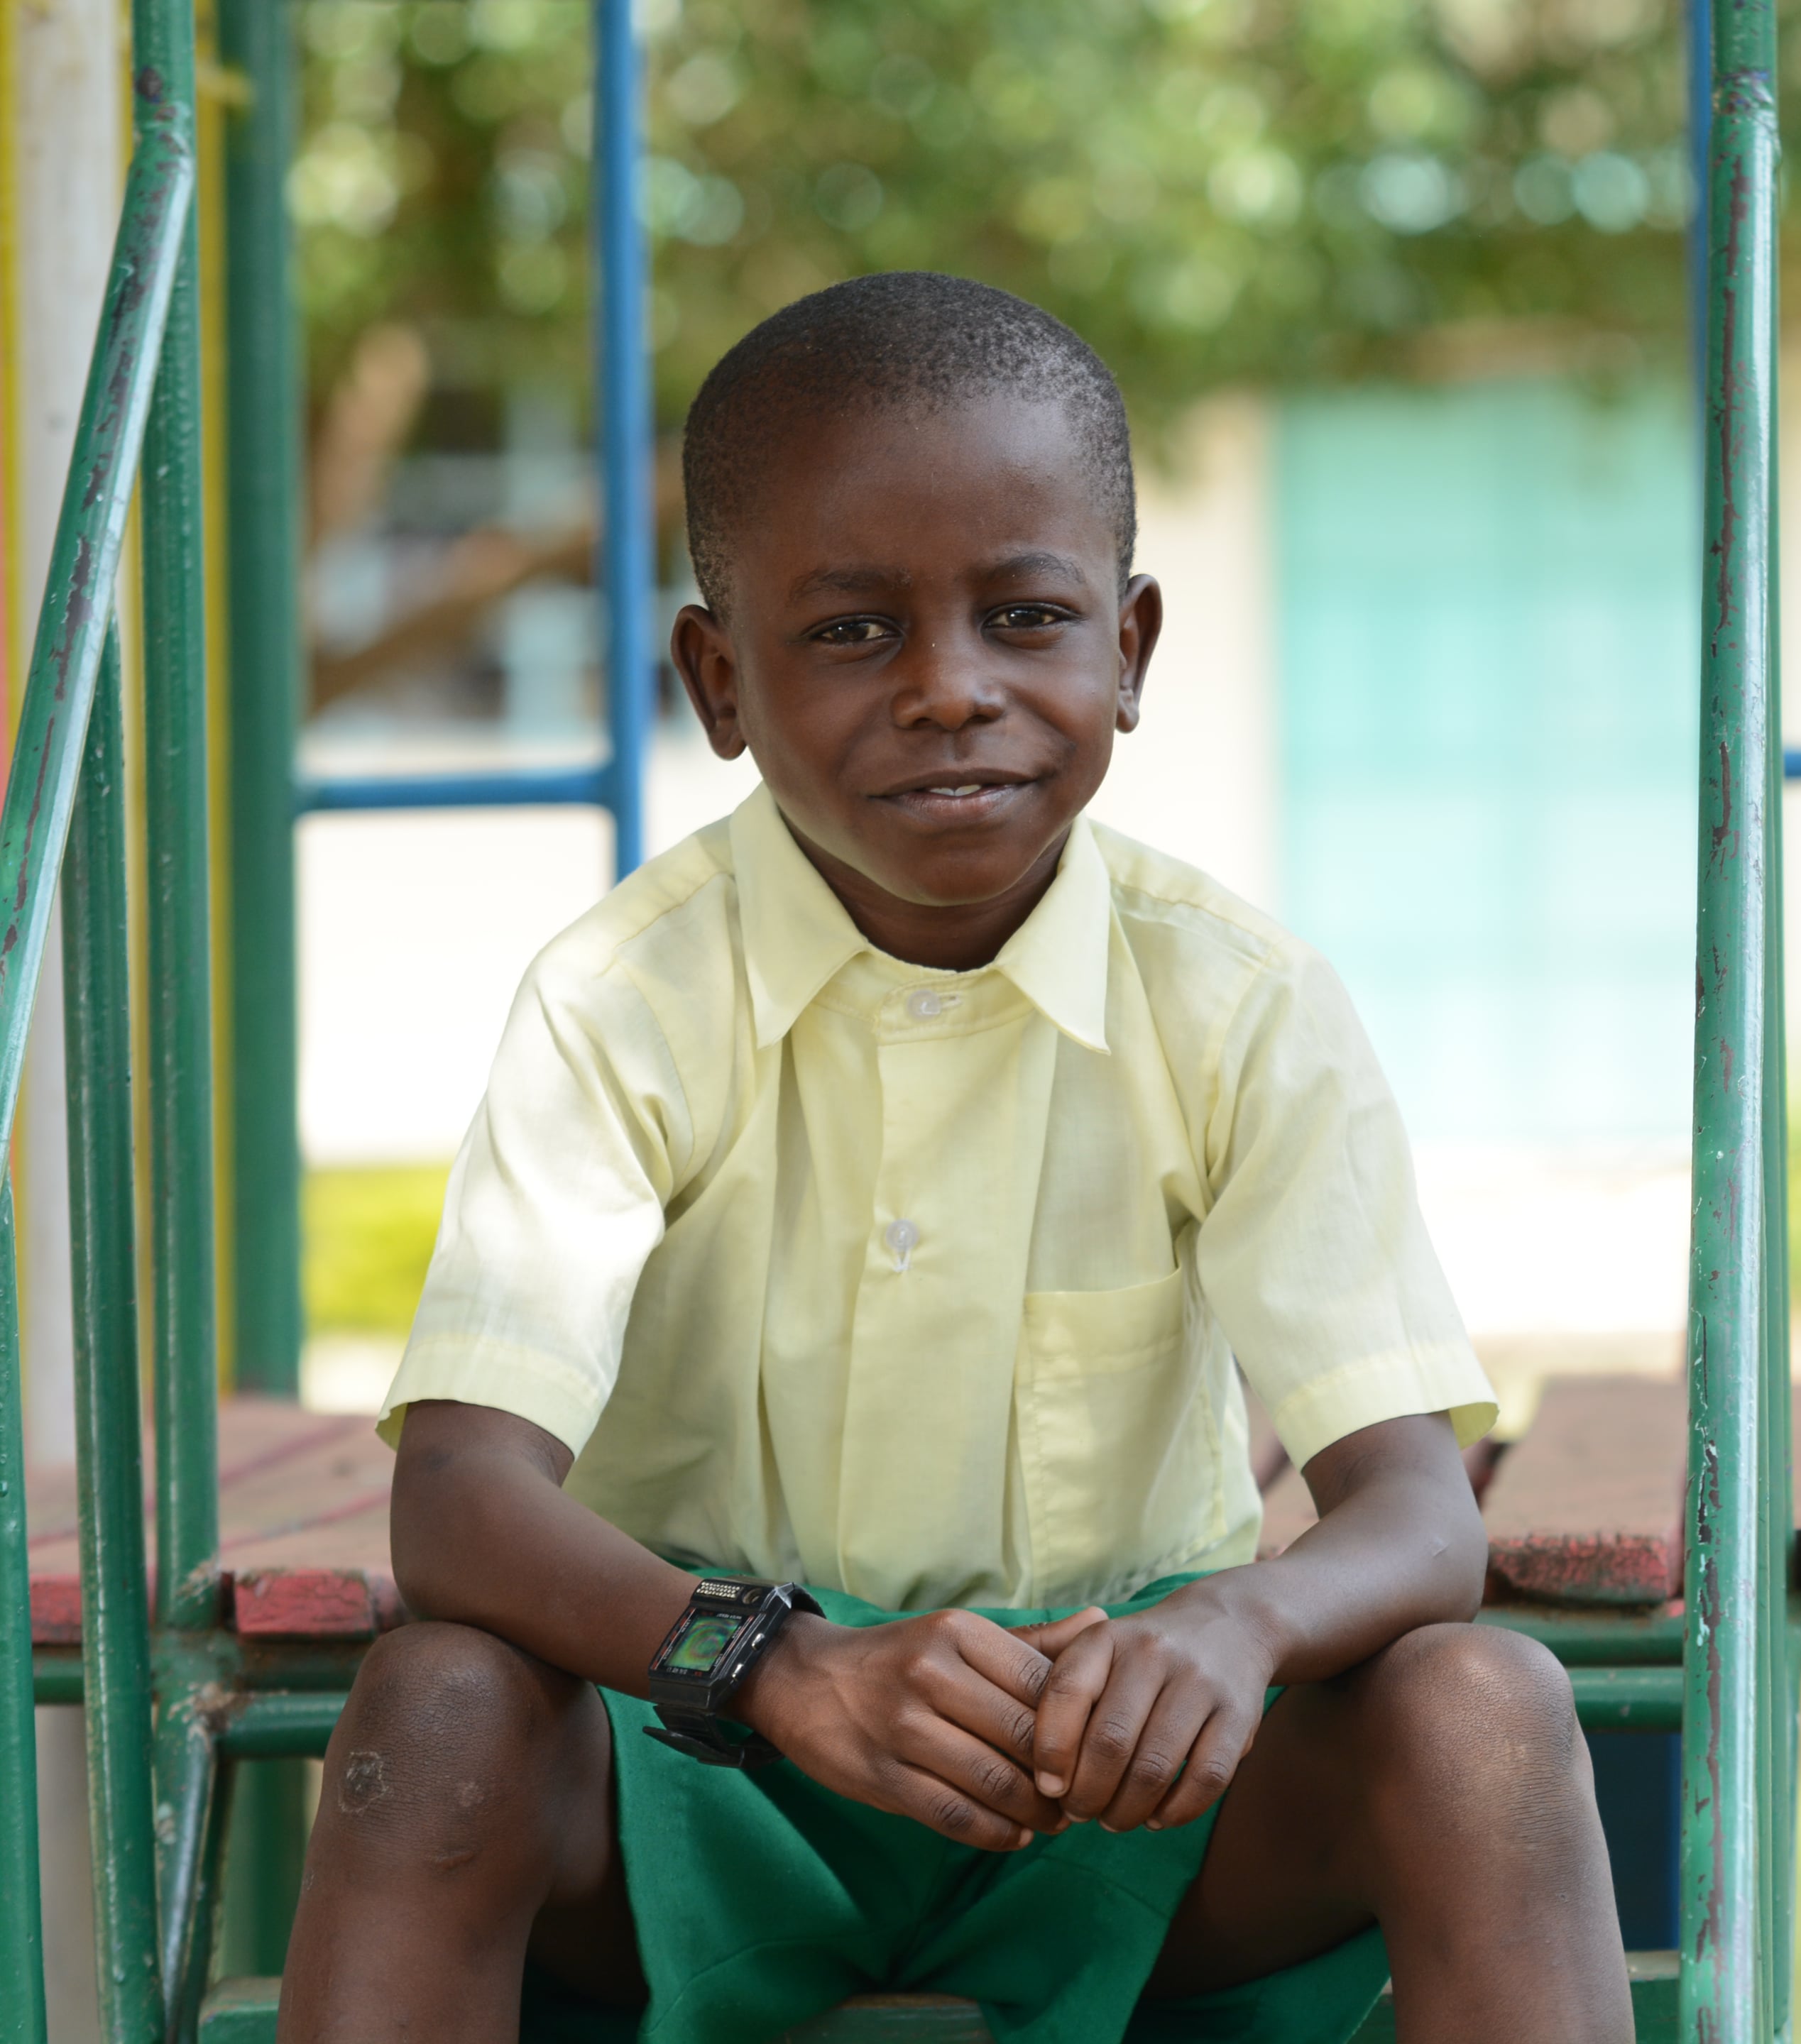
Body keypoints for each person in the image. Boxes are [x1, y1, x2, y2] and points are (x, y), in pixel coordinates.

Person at [278, 272, 1634, 2044]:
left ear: (1129, 651)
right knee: (439, 1708)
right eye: (852, 631)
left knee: (1485, 1709)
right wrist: (774, 1665)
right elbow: (461, 1501)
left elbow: (1415, 1513)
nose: (949, 691)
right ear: (719, 680)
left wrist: (1232, 1630)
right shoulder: (621, 1003)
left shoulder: (1238, 1003)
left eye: (1027, 616)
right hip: (703, 1762)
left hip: (1125, 1782)